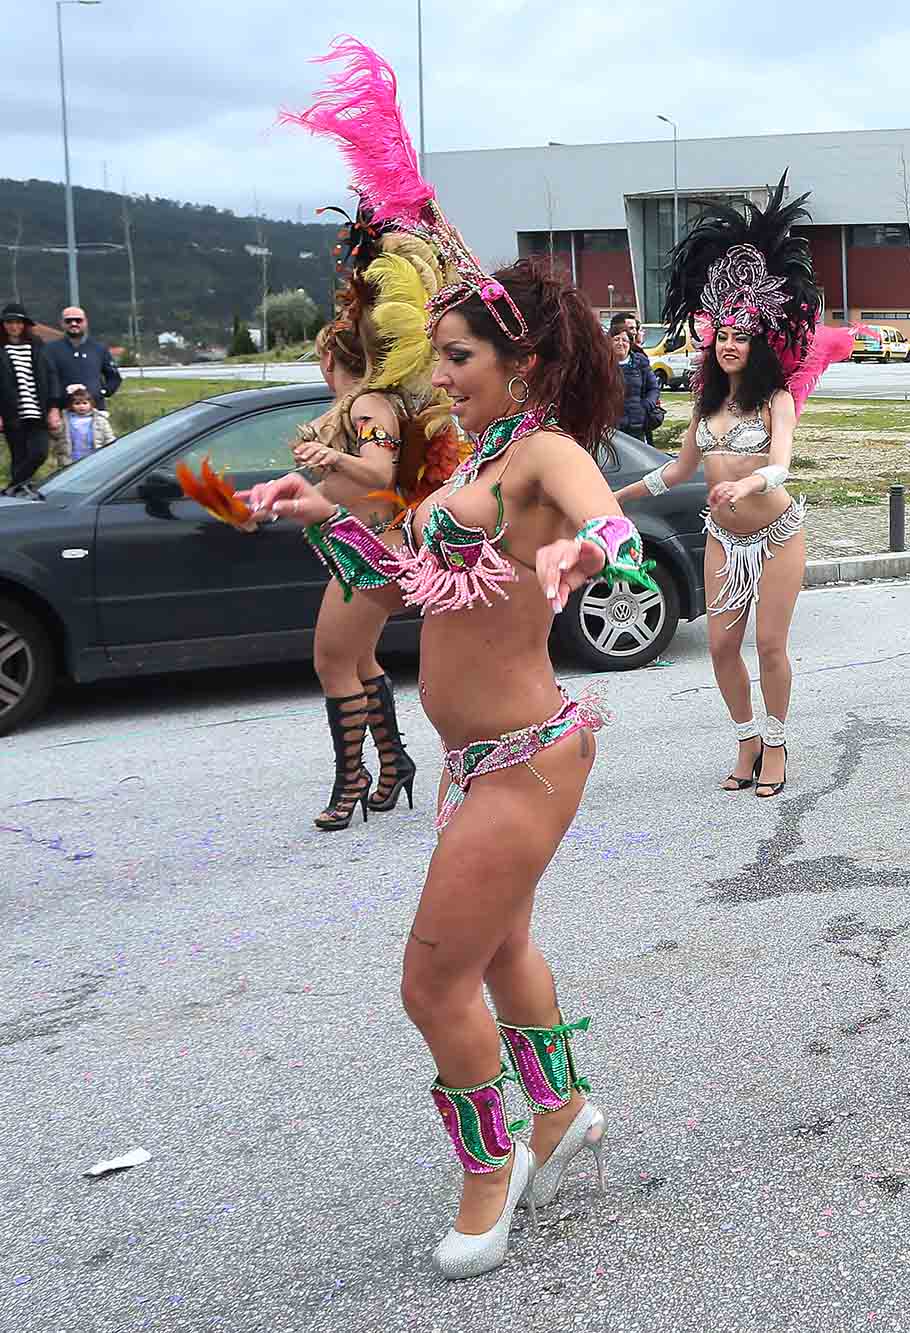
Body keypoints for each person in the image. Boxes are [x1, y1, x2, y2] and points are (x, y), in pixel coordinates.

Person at [269, 36, 647, 1277]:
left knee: (432, 985)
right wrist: (322, 511)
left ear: (520, 364)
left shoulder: (541, 453)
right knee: (501, 951)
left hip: (527, 756)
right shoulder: (475, 461)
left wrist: (594, 558)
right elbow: (412, 578)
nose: (440, 377)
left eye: (459, 359)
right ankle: (562, 1111)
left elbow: (612, 529)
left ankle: (493, 1167)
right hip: (475, 758)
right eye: (436, 357)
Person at [622, 176, 852, 799]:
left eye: (739, 336)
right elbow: (675, 472)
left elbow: (781, 467)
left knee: (770, 645)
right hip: (723, 537)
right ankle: (746, 737)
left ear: (758, 345)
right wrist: (615, 498)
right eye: (721, 335)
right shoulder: (705, 405)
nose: (728, 345)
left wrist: (747, 482)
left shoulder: (776, 399)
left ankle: (776, 743)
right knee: (723, 646)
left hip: (776, 533)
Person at [277, 208, 463, 832]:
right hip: (361, 545)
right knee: (358, 662)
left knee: (331, 663)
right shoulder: (364, 406)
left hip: (369, 550)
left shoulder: (368, 407)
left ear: (333, 358)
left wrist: (331, 459)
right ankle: (394, 763)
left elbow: (379, 474)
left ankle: (350, 781)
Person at [1, 302, 58, 492]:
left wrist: (54, 407)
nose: (14, 326)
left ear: (24, 324)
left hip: (37, 410)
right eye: (9, 322)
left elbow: (51, 375)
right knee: (19, 456)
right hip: (11, 413)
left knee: (39, 453)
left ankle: (11, 489)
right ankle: (18, 494)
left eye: (18, 322)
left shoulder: (37, 345)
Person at [50, 306, 121, 409]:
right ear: (62, 323)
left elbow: (114, 377)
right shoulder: (50, 349)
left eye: (78, 320)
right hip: (63, 411)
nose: (74, 323)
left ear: (86, 322)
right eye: (68, 321)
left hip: (95, 410)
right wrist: (53, 406)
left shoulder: (99, 349)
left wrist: (102, 392)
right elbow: (47, 380)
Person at [611, 328, 663, 444]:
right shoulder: (602, 364)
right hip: (612, 427)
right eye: (616, 339)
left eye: (624, 340)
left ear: (630, 344)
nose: (620, 343)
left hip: (637, 425)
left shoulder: (640, 362)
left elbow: (653, 388)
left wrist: (645, 406)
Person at [52, 382, 115, 465]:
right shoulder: (66, 419)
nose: (81, 406)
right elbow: (57, 435)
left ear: (91, 404)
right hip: (71, 459)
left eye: (85, 403)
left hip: (95, 457)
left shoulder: (99, 419)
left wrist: (111, 451)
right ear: (71, 405)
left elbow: (109, 437)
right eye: (77, 403)